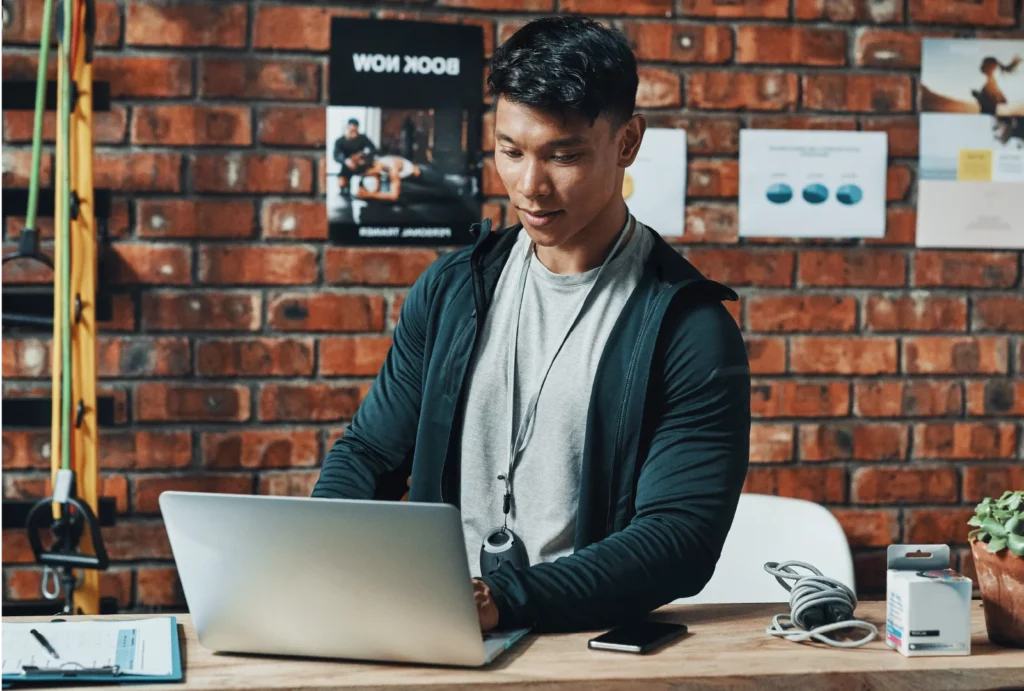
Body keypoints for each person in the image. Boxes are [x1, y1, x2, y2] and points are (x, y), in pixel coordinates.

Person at [312, 16, 750, 634]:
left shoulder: (688, 327)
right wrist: (313, 555)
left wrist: (503, 599)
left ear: (626, 143)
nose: (529, 185)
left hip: (583, 645)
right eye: (510, 151)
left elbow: (679, 538)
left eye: (563, 155)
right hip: (439, 630)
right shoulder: (451, 290)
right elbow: (370, 454)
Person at [333, 118, 377, 189]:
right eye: (351, 130)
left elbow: (373, 149)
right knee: (341, 183)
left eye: (355, 130)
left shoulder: (363, 138)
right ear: (347, 127)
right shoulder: (340, 141)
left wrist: (362, 154)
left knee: (371, 178)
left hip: (361, 165)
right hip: (347, 166)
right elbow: (336, 156)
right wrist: (347, 161)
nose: (353, 133)